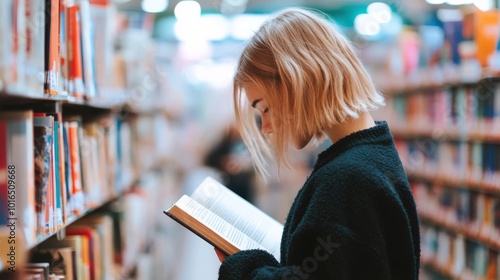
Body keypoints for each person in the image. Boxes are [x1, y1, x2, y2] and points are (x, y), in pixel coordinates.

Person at [215, 7, 421, 280]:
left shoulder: (347, 180)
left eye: (265, 108)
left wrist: (243, 268)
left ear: (297, 82)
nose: (266, 128)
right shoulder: (370, 156)